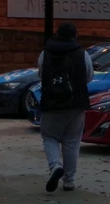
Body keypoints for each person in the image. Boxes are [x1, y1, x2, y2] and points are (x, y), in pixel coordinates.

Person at [39, 22, 93, 192]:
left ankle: (55, 166)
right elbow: (89, 76)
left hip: (51, 103)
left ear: (57, 34)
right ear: (75, 35)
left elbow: (41, 74)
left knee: (49, 137)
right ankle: (69, 181)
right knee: (72, 141)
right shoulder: (82, 53)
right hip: (75, 104)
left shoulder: (45, 53)